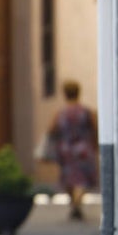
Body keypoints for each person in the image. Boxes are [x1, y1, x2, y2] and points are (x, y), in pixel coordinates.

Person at [48, 80, 98, 221]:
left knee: (69, 178)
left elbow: (51, 129)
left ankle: (74, 204)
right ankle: (77, 204)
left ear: (65, 94)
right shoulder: (86, 111)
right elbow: (94, 128)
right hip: (83, 148)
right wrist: (95, 146)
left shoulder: (60, 113)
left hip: (66, 149)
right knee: (82, 179)